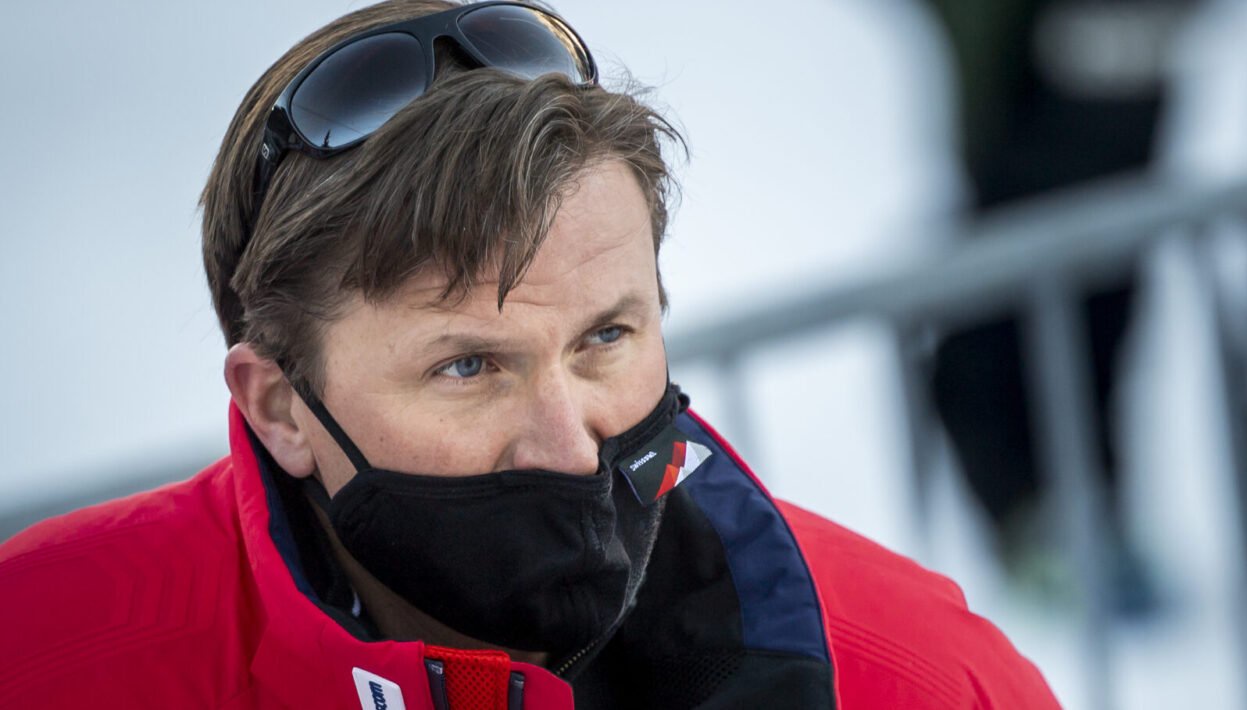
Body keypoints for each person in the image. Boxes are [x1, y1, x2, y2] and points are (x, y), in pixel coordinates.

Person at [0, 2, 1058, 708]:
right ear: (281, 406)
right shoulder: (41, 654)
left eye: (606, 337)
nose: (571, 445)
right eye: (468, 366)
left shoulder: (924, 680)